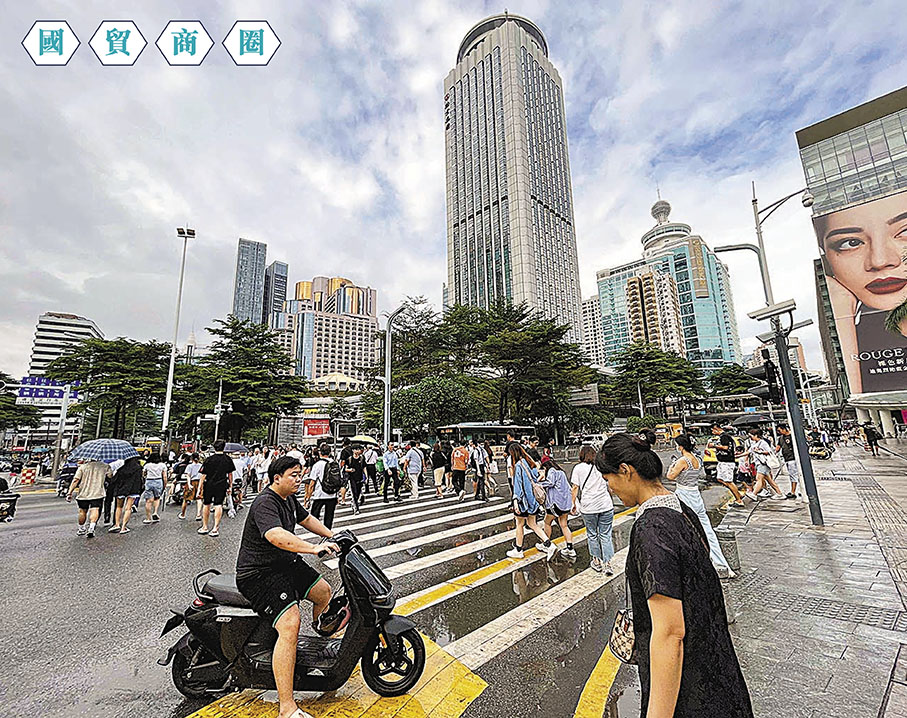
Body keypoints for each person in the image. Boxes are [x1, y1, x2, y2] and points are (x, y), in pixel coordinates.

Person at [596, 433, 753, 718]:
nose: (610, 489)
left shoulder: (651, 530)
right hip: (719, 673)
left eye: (608, 479)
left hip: (688, 689)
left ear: (625, 471)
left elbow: (670, 634)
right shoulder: (682, 509)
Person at [235, 455, 340, 718]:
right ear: (276, 478)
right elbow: (276, 536)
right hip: (259, 573)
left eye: (300, 474)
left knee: (323, 592)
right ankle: (287, 707)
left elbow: (307, 519)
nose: (299, 479)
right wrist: (313, 548)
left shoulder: (288, 498)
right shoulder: (265, 502)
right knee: (290, 623)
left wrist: (333, 535)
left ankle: (322, 651)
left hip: (284, 565)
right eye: (293, 475)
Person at [667, 435, 734, 577]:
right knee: (707, 530)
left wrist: (672, 465)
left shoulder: (682, 461)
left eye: (677, 444)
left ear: (681, 446)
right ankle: (721, 563)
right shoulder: (697, 459)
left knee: (686, 528)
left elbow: (670, 476)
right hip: (696, 495)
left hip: (684, 495)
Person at [505, 443, 558, 560]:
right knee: (532, 524)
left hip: (523, 501)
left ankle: (518, 550)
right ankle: (549, 545)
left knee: (519, 524)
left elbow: (518, 485)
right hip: (533, 501)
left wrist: (515, 501)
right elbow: (537, 478)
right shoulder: (530, 462)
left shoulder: (518, 465)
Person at [571, 445, 614, 574]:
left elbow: (575, 487)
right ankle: (608, 564)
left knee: (592, 534)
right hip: (605, 505)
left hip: (589, 507)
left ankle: (596, 562)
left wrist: (573, 503)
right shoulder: (601, 467)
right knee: (605, 535)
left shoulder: (578, 468)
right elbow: (610, 485)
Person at [536, 456, 575, 558]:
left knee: (547, 522)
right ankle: (570, 548)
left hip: (555, 504)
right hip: (565, 504)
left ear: (545, 466)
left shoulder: (552, 471)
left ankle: (546, 544)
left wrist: (538, 482)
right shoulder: (561, 472)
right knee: (564, 525)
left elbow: (550, 482)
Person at [197, 440, 235, 537]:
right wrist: (230, 486)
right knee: (218, 504)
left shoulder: (209, 459)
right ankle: (215, 528)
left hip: (209, 484)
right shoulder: (228, 459)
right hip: (222, 484)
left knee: (206, 504)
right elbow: (230, 474)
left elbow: (203, 475)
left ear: (214, 447)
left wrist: (199, 488)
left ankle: (205, 527)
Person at [67, 459, 112, 538]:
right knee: (95, 509)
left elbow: (76, 480)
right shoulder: (105, 466)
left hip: (83, 493)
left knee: (82, 511)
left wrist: (70, 492)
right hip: (97, 493)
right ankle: (91, 527)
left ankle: (81, 528)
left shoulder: (83, 467)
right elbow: (110, 476)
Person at [711, 423, 745, 508]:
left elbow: (725, 447)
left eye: (712, 430)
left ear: (716, 429)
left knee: (729, 481)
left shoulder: (724, 436)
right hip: (722, 461)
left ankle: (739, 500)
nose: (712, 432)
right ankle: (738, 494)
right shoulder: (723, 437)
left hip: (727, 462)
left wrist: (714, 446)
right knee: (720, 479)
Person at [307, 444, 340, 529]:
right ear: (330, 452)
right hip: (332, 494)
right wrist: (337, 495)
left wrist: (308, 498)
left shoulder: (317, 465)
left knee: (314, 515)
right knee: (329, 516)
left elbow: (312, 483)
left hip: (320, 494)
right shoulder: (335, 463)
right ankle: (327, 531)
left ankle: (318, 530)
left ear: (320, 452)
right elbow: (338, 480)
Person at [745, 428, 783, 501]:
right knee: (770, 481)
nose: (750, 438)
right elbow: (749, 452)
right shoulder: (754, 443)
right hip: (759, 464)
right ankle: (779, 493)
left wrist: (759, 451)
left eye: (751, 436)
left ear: (756, 435)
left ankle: (754, 494)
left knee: (758, 479)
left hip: (763, 463)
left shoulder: (763, 443)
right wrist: (737, 456)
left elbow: (769, 451)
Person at [108, 456, 143, 534]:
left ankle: (117, 524)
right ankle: (123, 527)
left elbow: (114, 479)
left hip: (121, 489)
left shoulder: (121, 468)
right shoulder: (138, 468)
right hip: (133, 489)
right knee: (128, 508)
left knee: (119, 507)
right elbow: (140, 479)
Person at [141, 452, 168, 525]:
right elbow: (165, 476)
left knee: (148, 501)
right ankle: (155, 512)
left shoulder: (147, 465)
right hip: (158, 481)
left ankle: (148, 518)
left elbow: (143, 474)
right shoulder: (162, 465)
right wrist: (165, 485)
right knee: (157, 498)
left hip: (149, 481)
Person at [775, 425, 799, 499]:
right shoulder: (781, 438)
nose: (779, 432)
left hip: (793, 458)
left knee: (793, 475)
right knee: (792, 475)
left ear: (784, 429)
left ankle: (793, 492)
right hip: (787, 458)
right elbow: (778, 447)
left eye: (779, 430)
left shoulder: (793, 436)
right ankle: (795, 490)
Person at [179, 453, 203, 520]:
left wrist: (189, 484)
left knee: (186, 499)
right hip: (199, 482)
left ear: (191, 458)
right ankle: (198, 515)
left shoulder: (189, 466)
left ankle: (183, 514)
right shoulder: (201, 466)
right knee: (199, 498)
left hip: (192, 482)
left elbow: (188, 476)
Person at [344, 446, 365, 514]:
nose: (357, 451)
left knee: (358, 493)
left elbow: (364, 467)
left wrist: (366, 476)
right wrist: (350, 470)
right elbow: (345, 469)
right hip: (352, 478)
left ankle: (353, 503)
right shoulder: (349, 459)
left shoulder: (362, 458)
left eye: (358, 449)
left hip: (360, 477)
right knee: (354, 493)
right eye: (356, 449)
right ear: (353, 450)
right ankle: (356, 509)